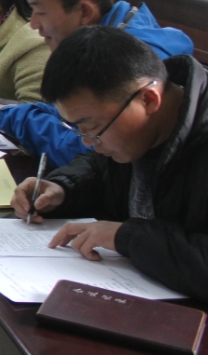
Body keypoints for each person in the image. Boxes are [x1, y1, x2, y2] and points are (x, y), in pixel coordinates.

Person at [12, 26, 208, 302]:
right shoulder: (136, 130)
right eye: (78, 129)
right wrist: (62, 188)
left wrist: (126, 237)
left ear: (148, 100)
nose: (88, 142)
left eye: (92, 128)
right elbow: (100, 168)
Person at [0, 0, 194, 167]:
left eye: (42, 12)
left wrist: (20, 120)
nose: (34, 24)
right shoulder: (111, 37)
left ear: (84, 12)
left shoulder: (125, 62)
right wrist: (19, 113)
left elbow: (91, 151)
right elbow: (75, 114)